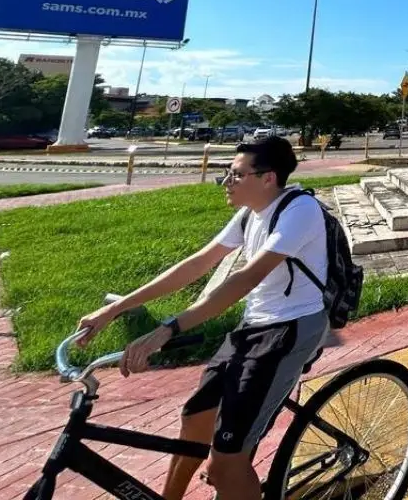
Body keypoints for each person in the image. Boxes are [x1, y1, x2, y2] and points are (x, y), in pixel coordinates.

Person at [76, 137, 330, 500]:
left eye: (236, 174)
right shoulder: (249, 214)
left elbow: (242, 281)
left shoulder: (299, 211)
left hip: (290, 330)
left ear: (268, 178)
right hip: (255, 326)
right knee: (194, 422)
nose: (226, 182)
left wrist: (168, 329)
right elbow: (196, 264)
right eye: (227, 173)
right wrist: (114, 309)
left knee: (224, 467)